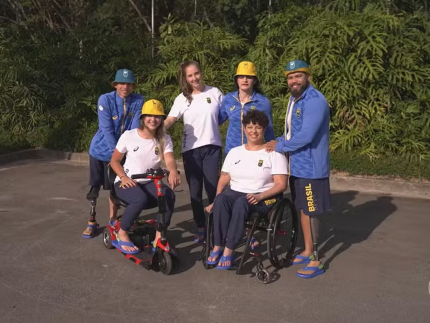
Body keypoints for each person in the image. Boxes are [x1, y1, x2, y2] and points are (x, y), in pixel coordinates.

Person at [265, 59, 331, 278]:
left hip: (311, 169)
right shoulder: (295, 99)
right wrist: (275, 142)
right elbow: (292, 132)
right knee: (302, 210)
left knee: (311, 213)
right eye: (290, 77)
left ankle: (316, 261)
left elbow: (306, 135)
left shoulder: (314, 100)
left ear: (307, 77)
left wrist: (281, 146)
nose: (294, 80)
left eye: (298, 76)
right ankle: (308, 249)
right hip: (297, 168)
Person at [205, 110, 288, 270]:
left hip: (265, 196)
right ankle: (218, 246)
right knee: (222, 200)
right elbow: (224, 179)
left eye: (258, 127)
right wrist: (215, 199)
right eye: (249, 127)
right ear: (244, 129)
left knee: (242, 203)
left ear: (264, 129)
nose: (253, 131)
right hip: (236, 192)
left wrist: (260, 196)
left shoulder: (274, 154)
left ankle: (229, 250)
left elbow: (281, 185)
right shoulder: (235, 152)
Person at [109, 99, 181, 254]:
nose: (153, 119)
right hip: (126, 181)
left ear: (162, 119)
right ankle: (122, 233)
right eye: (149, 115)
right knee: (139, 199)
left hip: (150, 182)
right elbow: (114, 161)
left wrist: (173, 170)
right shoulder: (129, 136)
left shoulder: (164, 138)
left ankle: (159, 235)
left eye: (157, 116)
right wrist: (123, 177)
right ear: (142, 117)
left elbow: (169, 158)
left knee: (168, 196)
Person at [164, 61, 223, 242]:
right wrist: (156, 130)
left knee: (214, 190)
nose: (194, 78)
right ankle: (201, 226)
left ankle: (217, 225)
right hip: (190, 151)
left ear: (201, 72)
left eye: (196, 73)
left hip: (213, 148)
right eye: (190, 76)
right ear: (186, 78)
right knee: (195, 193)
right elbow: (170, 120)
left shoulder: (215, 93)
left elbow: (230, 114)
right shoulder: (182, 98)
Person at [83, 68, 144, 238]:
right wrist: (116, 154)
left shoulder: (138, 100)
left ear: (133, 86)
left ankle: (112, 220)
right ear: (115, 85)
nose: (125, 87)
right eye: (122, 83)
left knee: (115, 188)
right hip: (101, 151)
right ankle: (91, 221)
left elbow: (134, 127)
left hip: (121, 153)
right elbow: (106, 129)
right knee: (94, 188)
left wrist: (127, 151)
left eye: (129, 84)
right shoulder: (106, 99)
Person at [219, 61, 275, 155]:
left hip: (255, 152)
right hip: (232, 152)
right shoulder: (228, 99)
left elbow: (268, 129)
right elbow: (216, 121)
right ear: (237, 80)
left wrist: (273, 149)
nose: (245, 80)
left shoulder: (263, 102)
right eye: (241, 77)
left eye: (249, 77)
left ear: (255, 80)